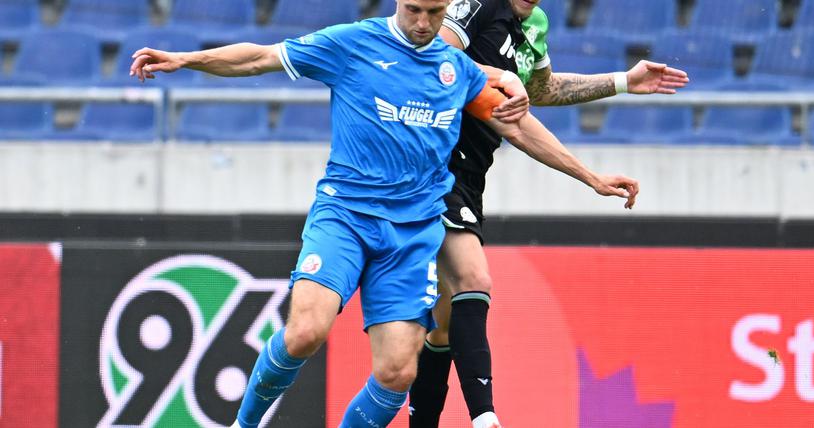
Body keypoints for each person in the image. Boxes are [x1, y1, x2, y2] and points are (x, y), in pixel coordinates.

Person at [128, 1, 639, 427]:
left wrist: (591, 177)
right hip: (345, 215)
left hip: (414, 231)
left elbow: (519, 127)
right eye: (414, 9)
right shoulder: (353, 43)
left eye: (434, 12)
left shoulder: (456, 70)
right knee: (306, 331)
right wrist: (185, 59)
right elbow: (258, 57)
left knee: (397, 373)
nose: (422, 22)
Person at [407, 1, 689, 427]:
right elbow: (435, 62)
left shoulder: (534, 23)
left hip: (470, 172)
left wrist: (622, 82)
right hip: (434, 164)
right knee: (473, 279)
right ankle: (485, 419)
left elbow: (539, 92)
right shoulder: (476, 5)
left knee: (445, 323)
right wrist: (499, 80)